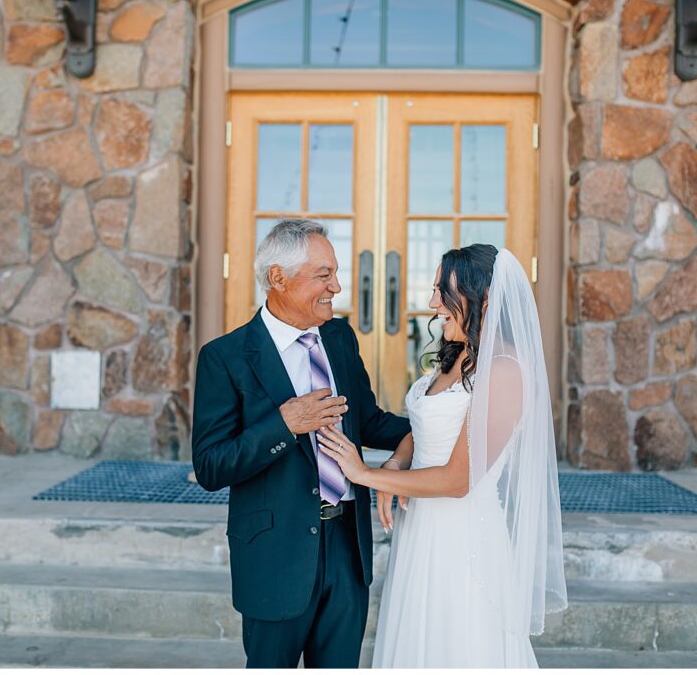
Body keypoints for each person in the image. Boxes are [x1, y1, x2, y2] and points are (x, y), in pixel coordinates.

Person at [318, 244, 569, 668]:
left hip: (462, 538)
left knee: (457, 644)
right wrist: (397, 463)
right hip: (421, 530)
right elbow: (426, 425)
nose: (433, 303)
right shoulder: (457, 355)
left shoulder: (505, 372)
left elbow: (458, 480)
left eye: (442, 291)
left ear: (483, 299)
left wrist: (367, 474)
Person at [191, 219, 412, 668]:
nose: (337, 286)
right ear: (278, 278)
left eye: (335, 273)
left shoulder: (339, 337)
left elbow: (365, 420)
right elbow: (212, 466)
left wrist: (435, 429)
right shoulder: (225, 358)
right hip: (275, 556)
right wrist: (284, 425)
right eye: (323, 274)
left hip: (347, 547)